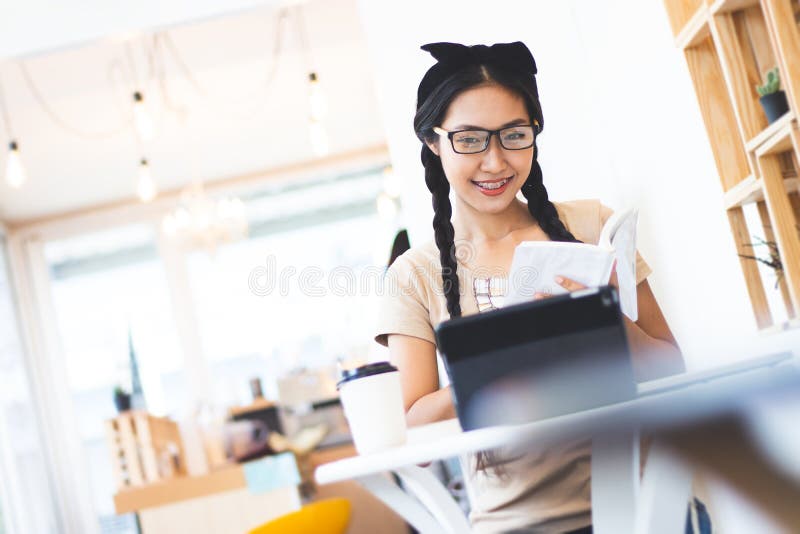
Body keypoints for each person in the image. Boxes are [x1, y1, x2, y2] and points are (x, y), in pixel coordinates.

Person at [374, 42, 685, 534]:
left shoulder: (591, 225)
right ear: (433, 142)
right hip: (517, 525)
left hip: (648, 512)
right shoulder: (414, 274)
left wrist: (602, 322)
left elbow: (671, 368)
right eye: (470, 140)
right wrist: (495, 366)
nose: (496, 161)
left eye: (514, 135)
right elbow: (411, 434)